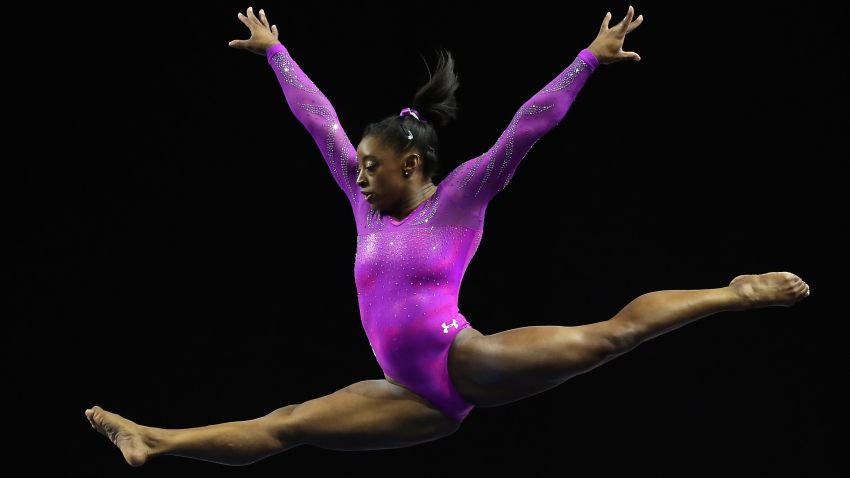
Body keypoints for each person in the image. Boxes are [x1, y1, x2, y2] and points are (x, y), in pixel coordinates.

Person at [85, 5, 809, 467]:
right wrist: (277, 52)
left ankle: (735, 292)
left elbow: (525, 128)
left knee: (613, 336)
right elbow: (320, 121)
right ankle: (151, 438)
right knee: (285, 425)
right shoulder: (363, 201)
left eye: (372, 168)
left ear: (412, 165)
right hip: (412, 398)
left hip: (463, 362)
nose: (358, 176)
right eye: (357, 168)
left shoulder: (459, 198)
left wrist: (588, 58)